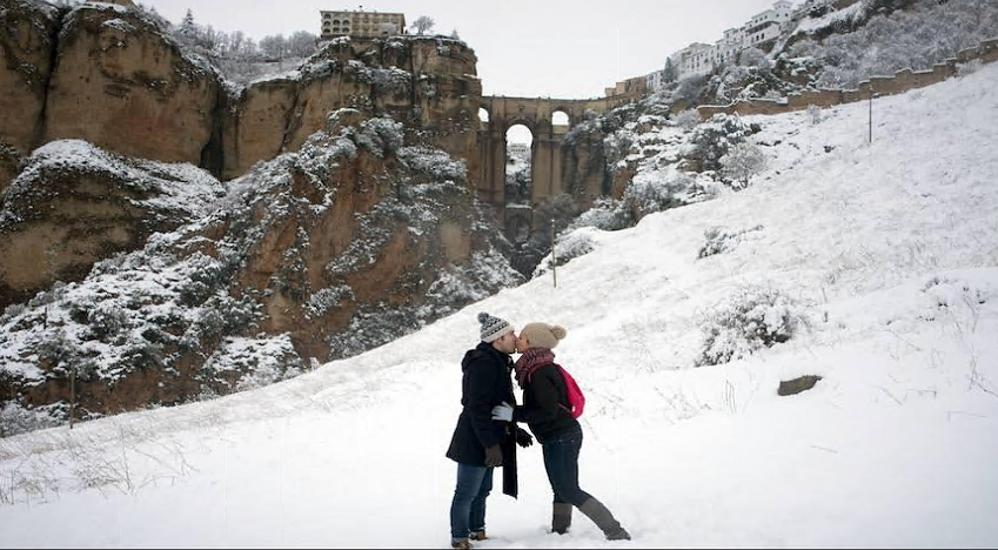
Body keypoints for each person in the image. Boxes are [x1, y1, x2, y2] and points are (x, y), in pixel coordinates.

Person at [492, 322, 631, 541]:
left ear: (530, 342)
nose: (517, 338)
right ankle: (560, 531)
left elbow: (546, 411)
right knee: (561, 486)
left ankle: (615, 530)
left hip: (562, 436)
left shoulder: (539, 372)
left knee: (568, 488)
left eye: (522, 336)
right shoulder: (537, 368)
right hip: (557, 435)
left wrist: (512, 413)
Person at [445, 312, 534, 549]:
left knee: (483, 490)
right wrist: (489, 444)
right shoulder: (484, 364)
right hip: (474, 438)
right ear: (497, 340)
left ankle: (477, 531)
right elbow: (477, 408)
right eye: (510, 334)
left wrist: (514, 430)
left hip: (489, 435)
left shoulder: (499, 362)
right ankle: (459, 538)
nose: (515, 338)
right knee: (466, 491)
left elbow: (500, 404)